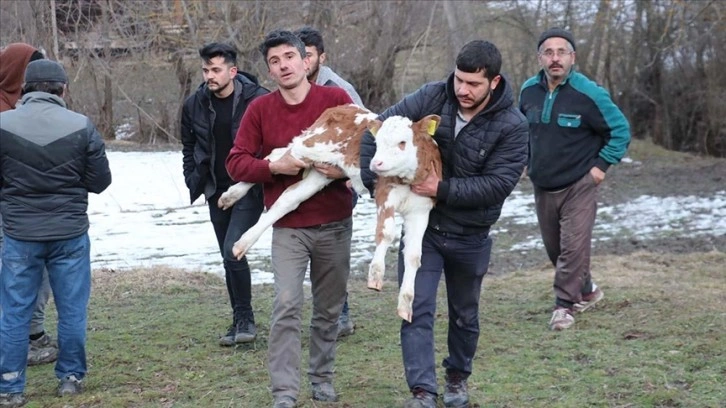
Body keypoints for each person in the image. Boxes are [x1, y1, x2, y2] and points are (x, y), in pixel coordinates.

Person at [360, 40, 529, 408]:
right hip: (426, 230)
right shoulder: (432, 97)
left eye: (474, 84)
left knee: (464, 315)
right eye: (459, 80)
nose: (463, 90)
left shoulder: (513, 125)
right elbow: (377, 130)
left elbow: (499, 184)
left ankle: (456, 380)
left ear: (494, 82)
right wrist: (375, 184)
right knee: (415, 305)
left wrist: (443, 188)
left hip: (472, 234)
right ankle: (422, 390)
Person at [226, 30, 354, 408]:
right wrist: (273, 166)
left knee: (329, 309)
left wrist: (343, 172)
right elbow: (236, 161)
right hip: (287, 226)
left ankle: (322, 377)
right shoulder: (260, 109)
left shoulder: (335, 99)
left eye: (289, 57)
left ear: (306, 60)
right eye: (274, 62)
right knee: (286, 303)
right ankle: (284, 392)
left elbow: (364, 148)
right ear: (269, 70)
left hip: (334, 222)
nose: (283, 66)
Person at [0, 59, 112, 406]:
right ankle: (70, 377)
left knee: (14, 310)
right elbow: (100, 181)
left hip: (19, 234)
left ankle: (10, 385)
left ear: (25, 89)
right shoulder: (81, 125)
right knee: (72, 309)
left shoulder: (2, 124)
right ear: (62, 89)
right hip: (69, 234)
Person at [519, 27, 630, 331]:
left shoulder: (589, 94)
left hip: (579, 184)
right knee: (556, 249)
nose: (555, 58)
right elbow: (521, 130)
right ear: (540, 56)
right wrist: (526, 162)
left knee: (572, 248)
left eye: (562, 52)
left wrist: (600, 167)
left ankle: (564, 307)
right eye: (549, 52)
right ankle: (589, 289)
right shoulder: (528, 90)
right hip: (543, 185)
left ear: (573, 57)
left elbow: (620, 131)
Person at [181, 42, 269, 346]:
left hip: (248, 188)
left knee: (234, 249)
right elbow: (188, 147)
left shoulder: (258, 100)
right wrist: (191, 178)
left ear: (233, 71)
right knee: (226, 255)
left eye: (216, 70)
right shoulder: (195, 104)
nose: (209, 76)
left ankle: (246, 320)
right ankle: (239, 318)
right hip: (215, 189)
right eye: (206, 69)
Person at [294, 26, 364, 338]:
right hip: (307, 178)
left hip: (339, 180)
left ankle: (340, 315)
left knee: (331, 249)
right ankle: (329, 313)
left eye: (308, 55)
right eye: (299, 55)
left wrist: (351, 174)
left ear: (322, 56)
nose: (303, 62)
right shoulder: (292, 88)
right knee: (311, 244)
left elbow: (364, 131)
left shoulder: (338, 89)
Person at [0, 42, 59, 367]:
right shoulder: (5, 113)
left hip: (28, 207)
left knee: (37, 271)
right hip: (11, 210)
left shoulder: (18, 107)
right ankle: (20, 344)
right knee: (18, 275)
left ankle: (32, 334)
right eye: (29, 72)